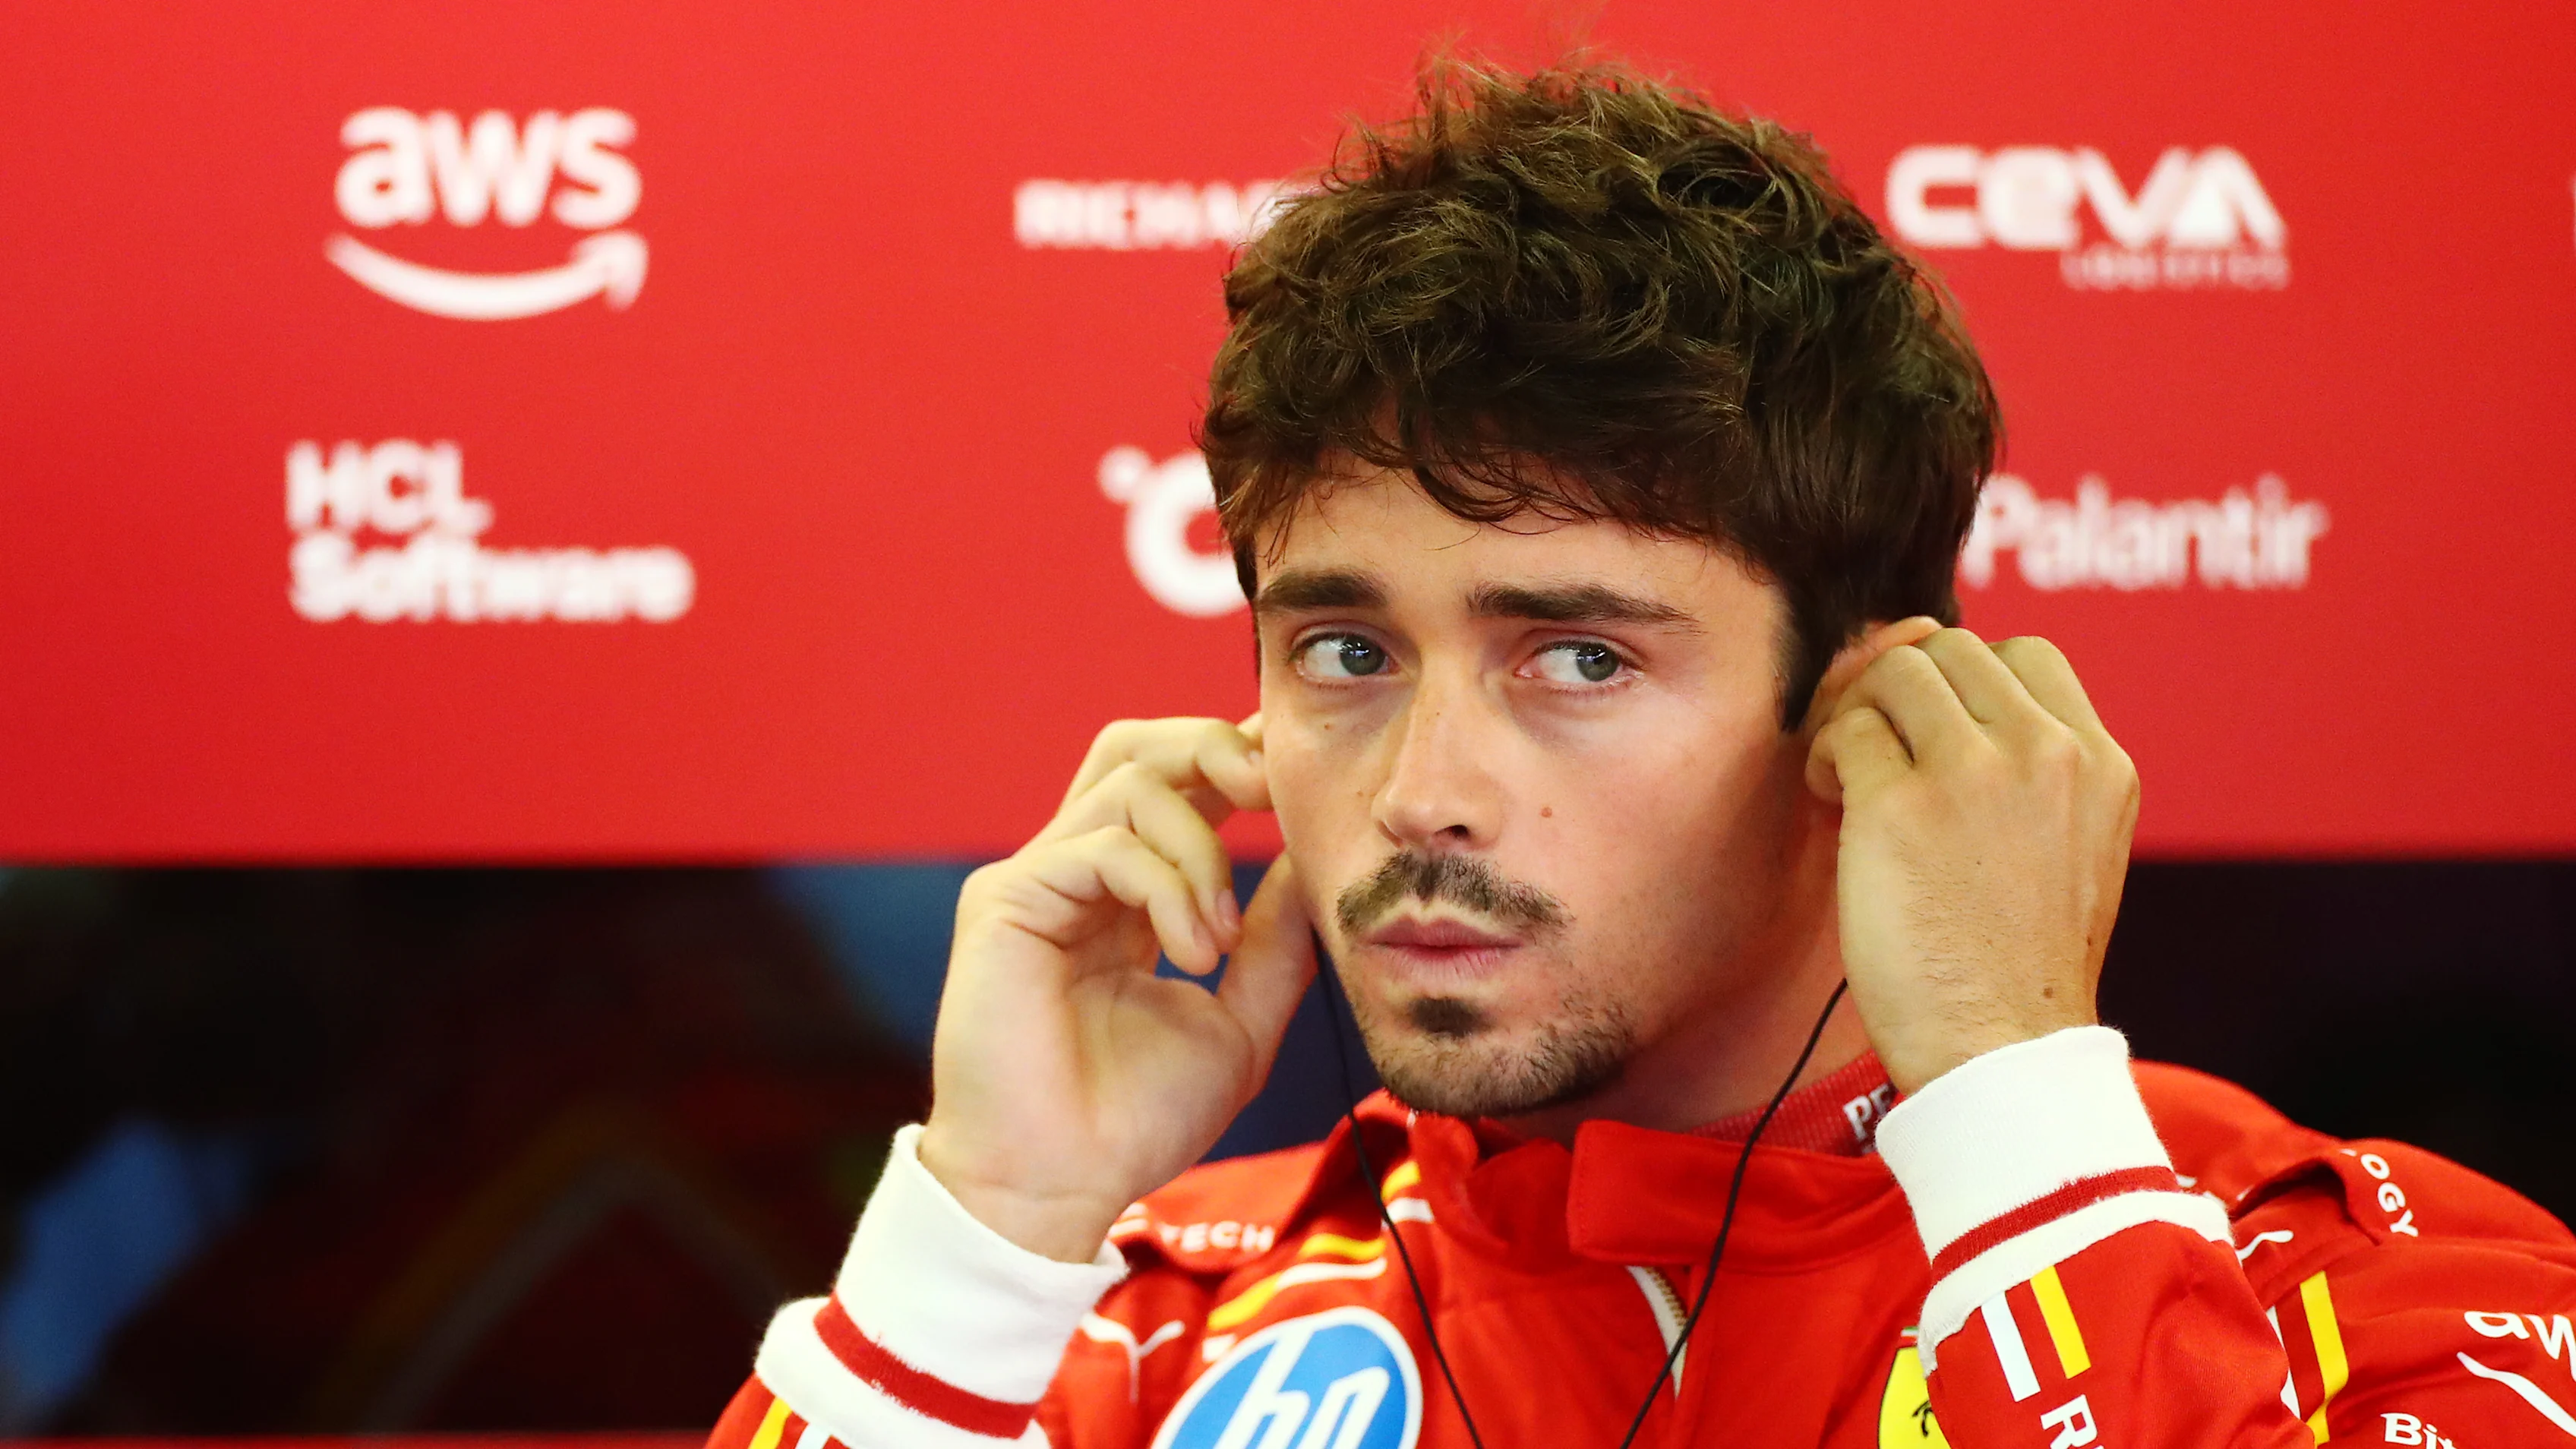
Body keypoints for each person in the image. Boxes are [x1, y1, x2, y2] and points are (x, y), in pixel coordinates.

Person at [709, 61, 2576, 1449]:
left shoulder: (2372, 1301)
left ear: (1874, 723)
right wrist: (992, 1230)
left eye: (1579, 658)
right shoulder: (1118, 1339)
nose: (1421, 790)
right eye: (1347, 651)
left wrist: (2023, 1135)